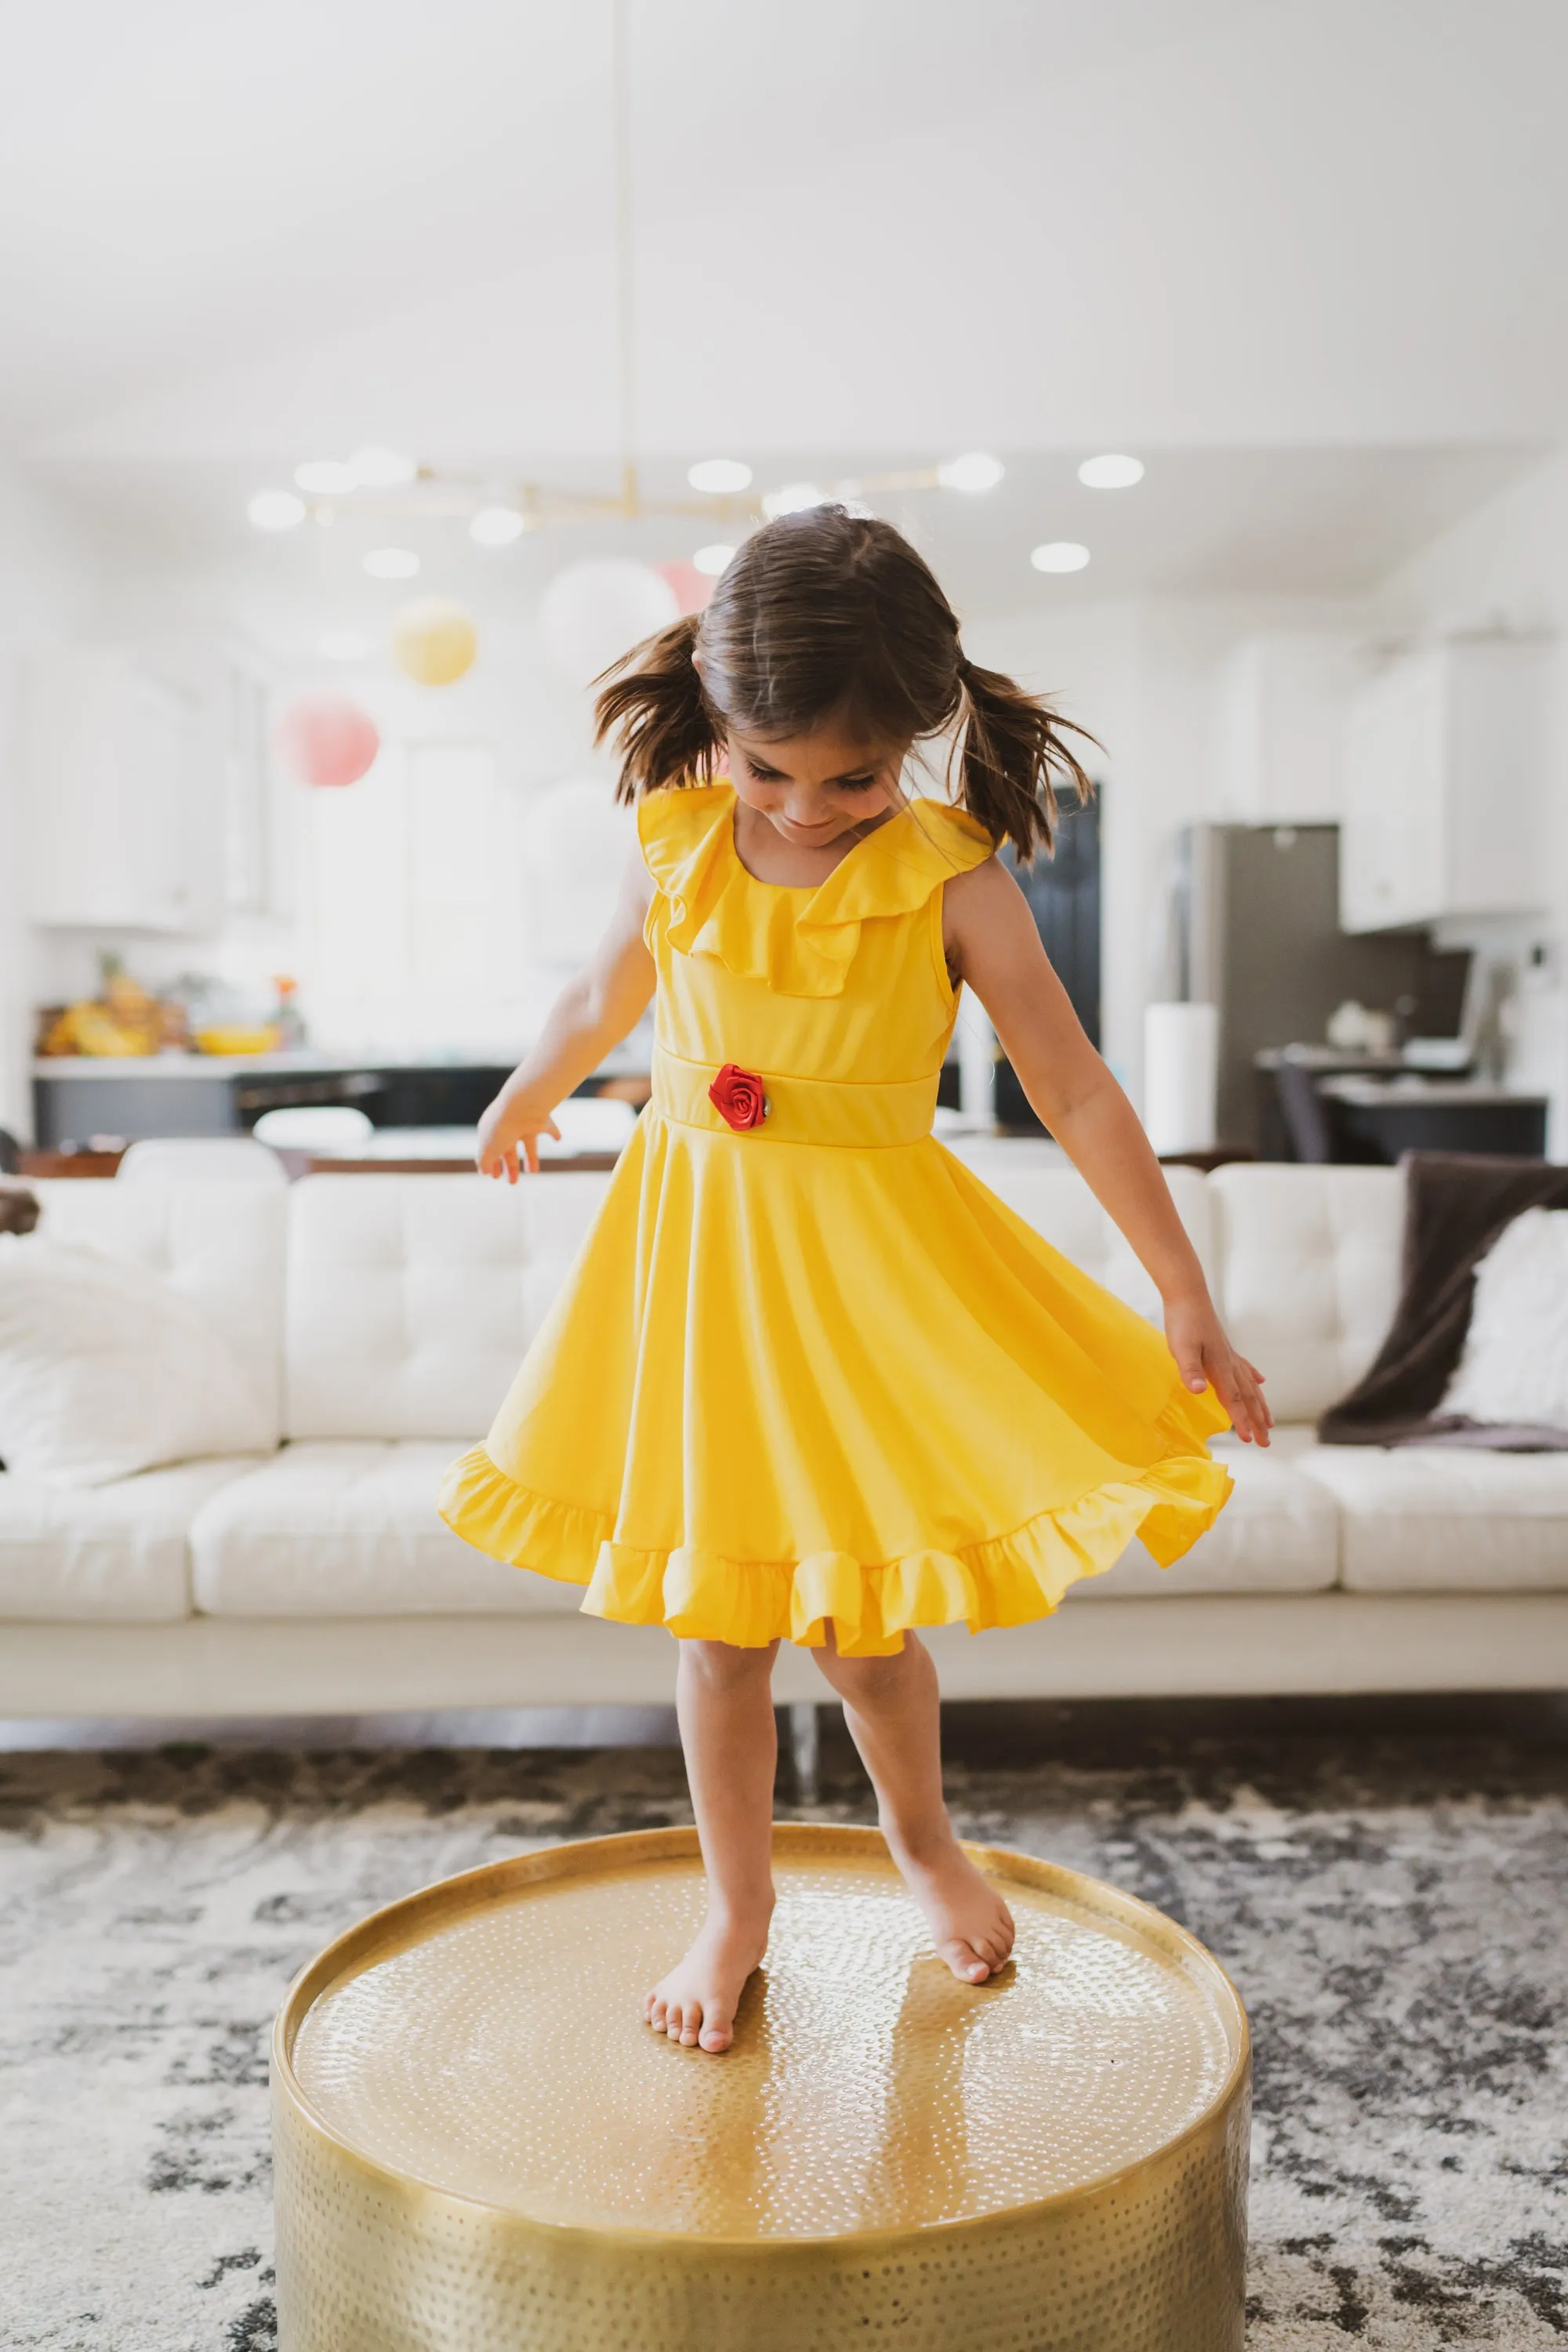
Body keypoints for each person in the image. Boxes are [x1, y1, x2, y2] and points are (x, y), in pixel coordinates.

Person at [439, 506, 1270, 2055]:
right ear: (713, 703)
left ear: (920, 737)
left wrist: (1182, 1286)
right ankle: (734, 1907)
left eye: (855, 778)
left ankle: (920, 1843)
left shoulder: (954, 882)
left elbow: (1076, 1089)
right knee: (717, 1631)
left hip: (866, 1284)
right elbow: (596, 989)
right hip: (699, 1281)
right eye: (772, 770)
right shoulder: (675, 840)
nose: (809, 809)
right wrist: (529, 1087)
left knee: (867, 1632)